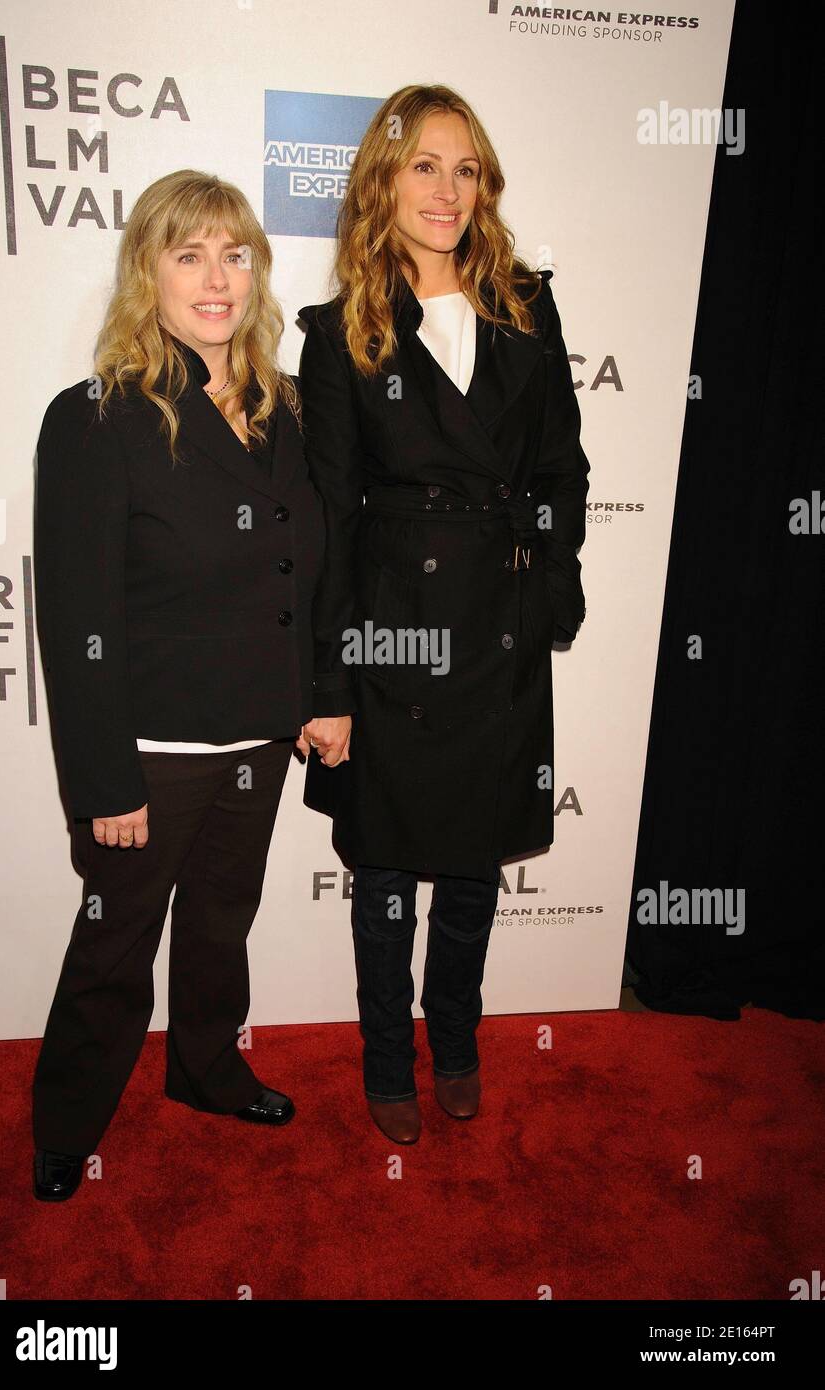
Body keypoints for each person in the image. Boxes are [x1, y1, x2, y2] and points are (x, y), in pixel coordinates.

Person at [295, 85, 590, 1144]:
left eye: (465, 168)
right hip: (390, 632)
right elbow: (326, 514)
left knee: (472, 866)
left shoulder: (526, 304)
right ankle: (387, 1058)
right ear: (384, 179)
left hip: (498, 623)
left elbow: (559, 464)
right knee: (384, 870)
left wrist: (551, 586)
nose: (446, 189)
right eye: (424, 164)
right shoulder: (339, 333)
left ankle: (454, 1039)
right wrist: (326, 686)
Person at [32, 169, 325, 1200]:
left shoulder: (284, 406)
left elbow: (306, 568)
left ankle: (206, 1068)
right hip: (149, 754)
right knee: (114, 948)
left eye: (234, 253)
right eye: (188, 253)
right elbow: (76, 621)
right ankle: (67, 1119)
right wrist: (104, 780)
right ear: (146, 272)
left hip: (255, 739)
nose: (216, 277)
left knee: (219, 926)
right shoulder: (97, 417)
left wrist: (317, 694)